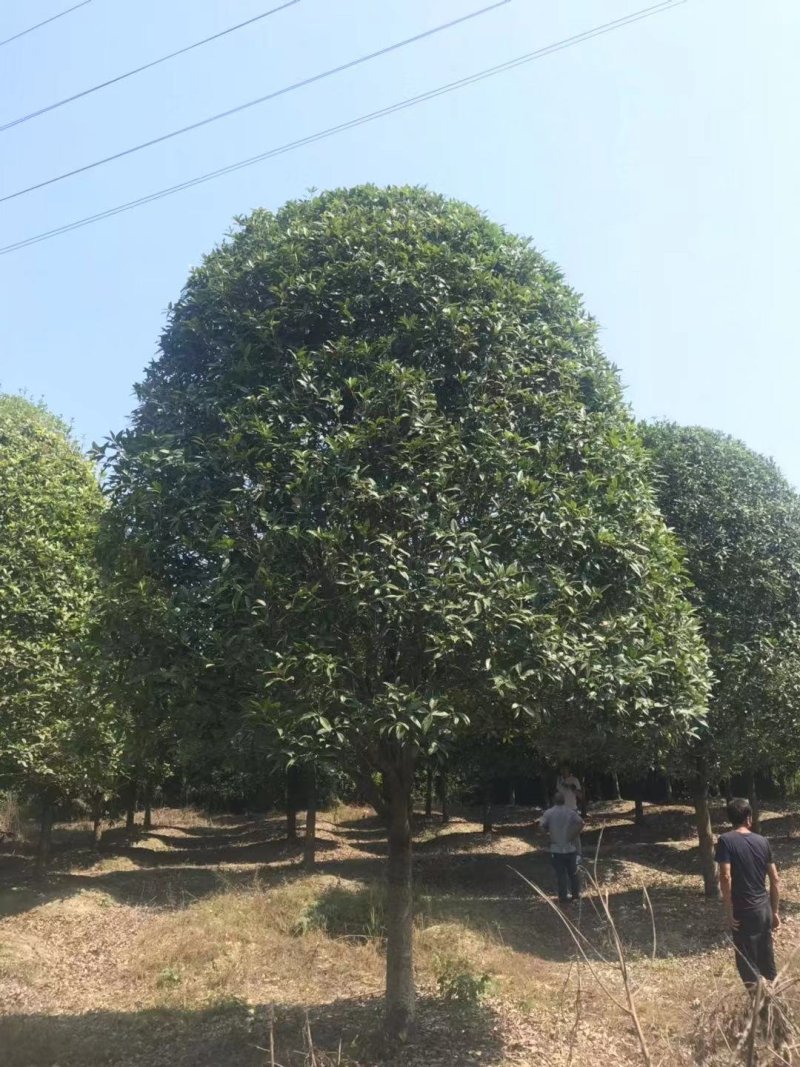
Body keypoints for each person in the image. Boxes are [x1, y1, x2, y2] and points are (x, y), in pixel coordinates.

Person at [715, 796, 780, 988]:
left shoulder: (725, 841)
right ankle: (776, 1006)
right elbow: (775, 879)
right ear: (749, 818)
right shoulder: (763, 841)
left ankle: (761, 1011)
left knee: (747, 966)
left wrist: (729, 910)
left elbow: (725, 877)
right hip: (764, 910)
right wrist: (774, 911)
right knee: (767, 963)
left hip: (744, 913)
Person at [539, 791, 584, 904]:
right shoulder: (570, 812)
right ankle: (575, 896)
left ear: (554, 800)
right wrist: (573, 834)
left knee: (561, 874)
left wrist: (548, 835)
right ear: (564, 800)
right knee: (573, 873)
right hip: (570, 848)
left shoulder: (549, 813)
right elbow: (581, 823)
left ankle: (563, 897)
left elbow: (541, 825)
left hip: (556, 848)